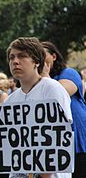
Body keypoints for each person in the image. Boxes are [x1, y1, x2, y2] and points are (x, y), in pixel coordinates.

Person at [6, 37, 72, 178]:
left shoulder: (52, 89)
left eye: (22, 56)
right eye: (11, 58)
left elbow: (59, 134)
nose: (15, 61)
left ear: (36, 61)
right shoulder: (11, 99)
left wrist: (44, 173)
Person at [42, 41, 86, 178]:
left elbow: (58, 95)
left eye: (42, 54)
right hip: (55, 139)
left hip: (75, 134)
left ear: (54, 56)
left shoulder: (69, 73)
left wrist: (44, 75)